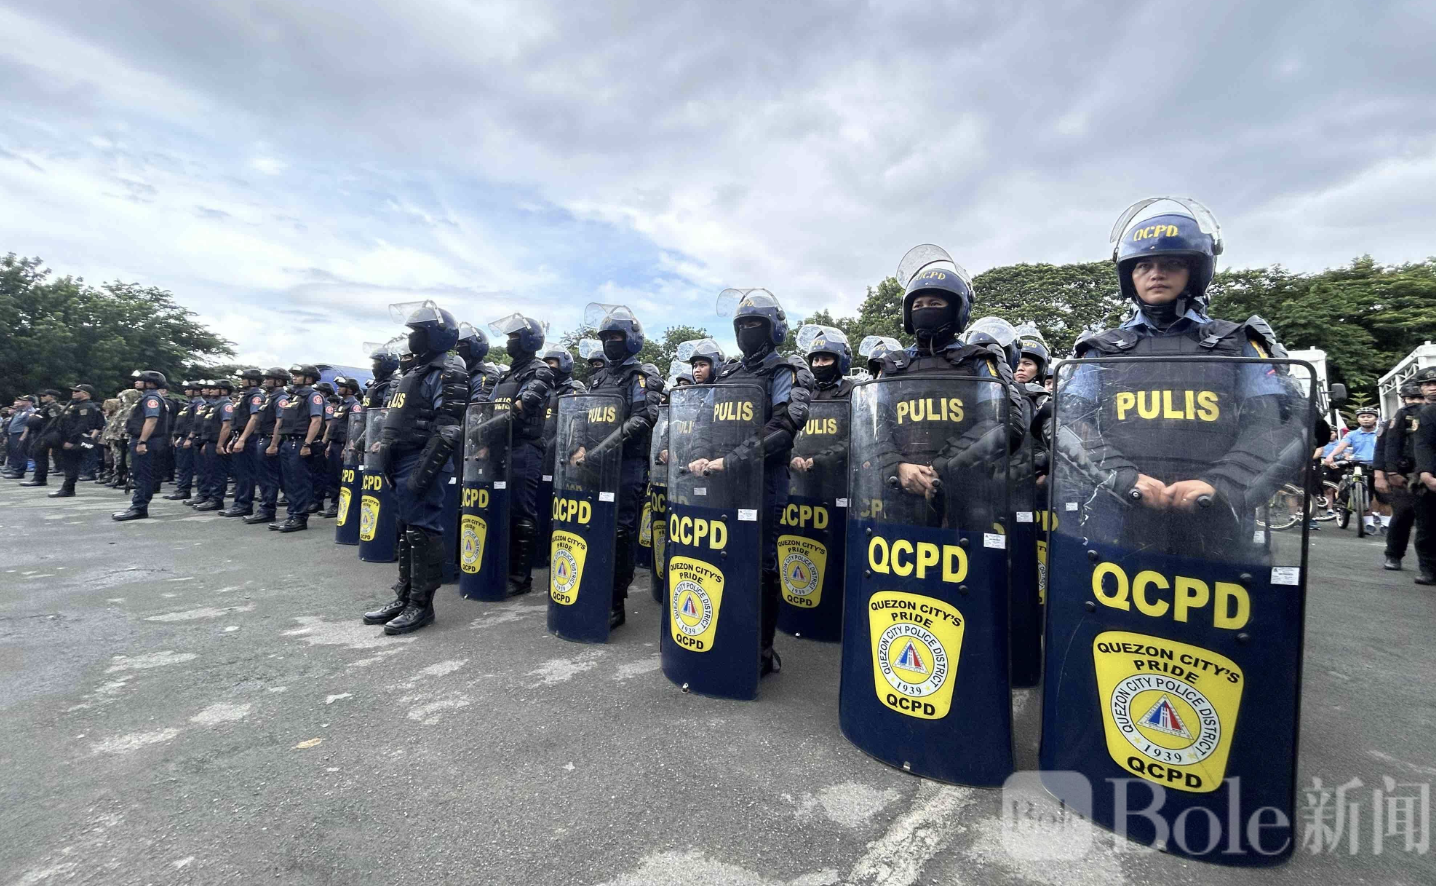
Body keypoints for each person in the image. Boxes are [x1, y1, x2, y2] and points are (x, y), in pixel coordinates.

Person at [687, 291, 813, 675]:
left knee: (759, 562)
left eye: (755, 323)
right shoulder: (728, 374)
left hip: (763, 479)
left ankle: (759, 650)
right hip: (720, 478)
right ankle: (723, 631)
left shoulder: (785, 370)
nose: (747, 331)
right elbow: (704, 421)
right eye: (741, 325)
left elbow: (785, 425)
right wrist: (699, 453)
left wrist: (733, 460)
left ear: (773, 328)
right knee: (719, 556)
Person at [361, 303, 468, 633]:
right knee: (406, 531)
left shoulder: (448, 371)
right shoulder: (413, 372)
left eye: (418, 332)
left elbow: (448, 428)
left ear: (435, 336)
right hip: (401, 461)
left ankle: (422, 605)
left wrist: (423, 472)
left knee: (422, 532)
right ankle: (405, 596)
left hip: (423, 460)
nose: (411, 338)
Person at [578, 306, 660, 628]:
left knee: (621, 532)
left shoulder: (641, 376)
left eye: (616, 336)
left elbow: (644, 418)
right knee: (593, 526)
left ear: (631, 339)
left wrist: (601, 449)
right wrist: (579, 446)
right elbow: (583, 416)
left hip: (626, 465)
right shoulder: (598, 378)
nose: (611, 341)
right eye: (606, 336)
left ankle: (615, 601)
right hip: (594, 465)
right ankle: (593, 589)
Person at [484, 313, 556, 595]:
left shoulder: (540, 371)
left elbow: (522, 406)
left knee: (521, 511)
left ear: (529, 341)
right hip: (499, 447)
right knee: (498, 508)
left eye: (514, 337)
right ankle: (500, 566)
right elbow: (489, 408)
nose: (509, 342)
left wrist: (486, 430)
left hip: (525, 447)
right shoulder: (507, 375)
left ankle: (520, 577)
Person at [272, 365, 325, 532]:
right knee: (289, 482)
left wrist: (307, 444)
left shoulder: (313, 396)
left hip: (301, 442)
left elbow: (316, 421)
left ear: (309, 378)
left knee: (300, 482)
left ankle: (300, 518)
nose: (294, 377)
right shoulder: (294, 396)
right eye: (293, 375)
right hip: (288, 442)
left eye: (298, 375)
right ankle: (292, 515)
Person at [1376, 383, 1423, 567]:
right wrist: (1381, 475)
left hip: (1428, 473)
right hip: (1403, 475)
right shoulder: (1392, 422)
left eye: (1419, 398)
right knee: (1403, 514)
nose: (1416, 402)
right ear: (1403, 400)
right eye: (1411, 398)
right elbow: (1382, 450)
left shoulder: (1429, 418)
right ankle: (1393, 555)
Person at [113, 371, 170, 521]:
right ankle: (138, 506)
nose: (136, 382)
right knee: (140, 474)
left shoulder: (152, 398)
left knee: (143, 476)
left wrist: (142, 441)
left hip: (147, 441)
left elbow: (151, 420)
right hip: (146, 440)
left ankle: (139, 508)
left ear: (150, 383)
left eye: (140, 380)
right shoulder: (147, 397)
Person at [245, 367, 292, 525]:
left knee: (269, 478)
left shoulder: (281, 399)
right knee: (263, 477)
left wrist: (273, 444)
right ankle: (266, 508)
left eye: (268, 378)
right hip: (263, 438)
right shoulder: (270, 398)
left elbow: (280, 422)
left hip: (270, 439)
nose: (265, 381)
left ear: (278, 381)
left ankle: (267, 510)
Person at [218, 370, 267, 517]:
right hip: (240, 436)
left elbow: (254, 418)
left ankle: (244, 504)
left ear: (253, 381)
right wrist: (235, 439)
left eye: (244, 378)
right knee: (240, 473)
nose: (241, 381)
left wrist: (242, 439)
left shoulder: (256, 396)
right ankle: (239, 503)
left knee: (246, 474)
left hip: (249, 439)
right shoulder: (245, 396)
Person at [1326, 406, 1381, 533]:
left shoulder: (1381, 433)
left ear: (1376, 419)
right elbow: (1342, 446)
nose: (1366, 419)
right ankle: (1369, 523)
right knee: (1362, 493)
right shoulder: (1352, 434)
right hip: (1359, 464)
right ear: (1358, 419)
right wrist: (1331, 455)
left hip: (1379, 466)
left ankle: (1384, 523)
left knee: (1382, 495)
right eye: (1362, 417)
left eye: (1369, 416)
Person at [47, 384, 105, 498]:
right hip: (67, 437)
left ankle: (68, 489)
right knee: (68, 463)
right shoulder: (75, 405)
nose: (73, 393)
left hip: (76, 439)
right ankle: (67, 488)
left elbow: (82, 425)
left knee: (72, 464)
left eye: (77, 391)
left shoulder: (86, 407)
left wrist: (71, 441)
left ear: (86, 394)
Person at [320, 376, 362, 518]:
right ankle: (334, 503)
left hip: (344, 445)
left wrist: (347, 446)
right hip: (334, 444)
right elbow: (334, 426)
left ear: (350, 389)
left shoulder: (354, 405)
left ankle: (340, 505)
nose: (338, 388)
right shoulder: (341, 404)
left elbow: (355, 428)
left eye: (342, 386)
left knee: (340, 476)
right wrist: (329, 444)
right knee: (332, 475)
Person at [1409, 368, 1436, 585]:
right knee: (1428, 526)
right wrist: (1426, 474)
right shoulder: (1425, 414)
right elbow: (1423, 445)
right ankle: (1429, 569)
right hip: (1431, 475)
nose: (1433, 388)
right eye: (1428, 384)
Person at [193, 380, 236, 512]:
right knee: (210, 471)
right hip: (211, 442)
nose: (210, 390)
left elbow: (226, 426)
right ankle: (211, 497)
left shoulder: (226, 405)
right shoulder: (215, 405)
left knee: (218, 473)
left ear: (224, 390)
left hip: (218, 443)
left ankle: (216, 500)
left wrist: (219, 444)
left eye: (214, 388)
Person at [164, 383, 202, 499]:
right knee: (182, 465)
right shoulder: (189, 404)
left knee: (186, 466)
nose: (186, 391)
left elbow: (196, 423)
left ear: (196, 391)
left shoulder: (199, 404)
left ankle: (184, 490)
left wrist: (190, 438)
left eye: (189, 389)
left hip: (190, 439)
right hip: (183, 437)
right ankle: (181, 488)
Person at [19, 390, 63, 487]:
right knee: (37, 456)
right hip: (39, 433)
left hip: (45, 433)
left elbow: (54, 421)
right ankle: (38, 477)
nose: (41, 397)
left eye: (44, 395)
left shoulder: (54, 407)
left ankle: (40, 479)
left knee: (41, 457)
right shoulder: (45, 406)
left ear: (52, 396)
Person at [457, 323, 500, 403]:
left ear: (475, 347)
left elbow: (478, 407)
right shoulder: (463, 374)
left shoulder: (481, 376)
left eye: (462, 344)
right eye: (458, 344)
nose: (458, 348)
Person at [4, 395, 35, 478]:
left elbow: (28, 425)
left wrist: (23, 435)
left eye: (23, 400)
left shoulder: (30, 412)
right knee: (14, 452)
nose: (20, 401)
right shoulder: (20, 411)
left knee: (20, 453)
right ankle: (15, 469)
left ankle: (19, 472)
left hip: (20, 434)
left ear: (29, 402)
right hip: (14, 434)